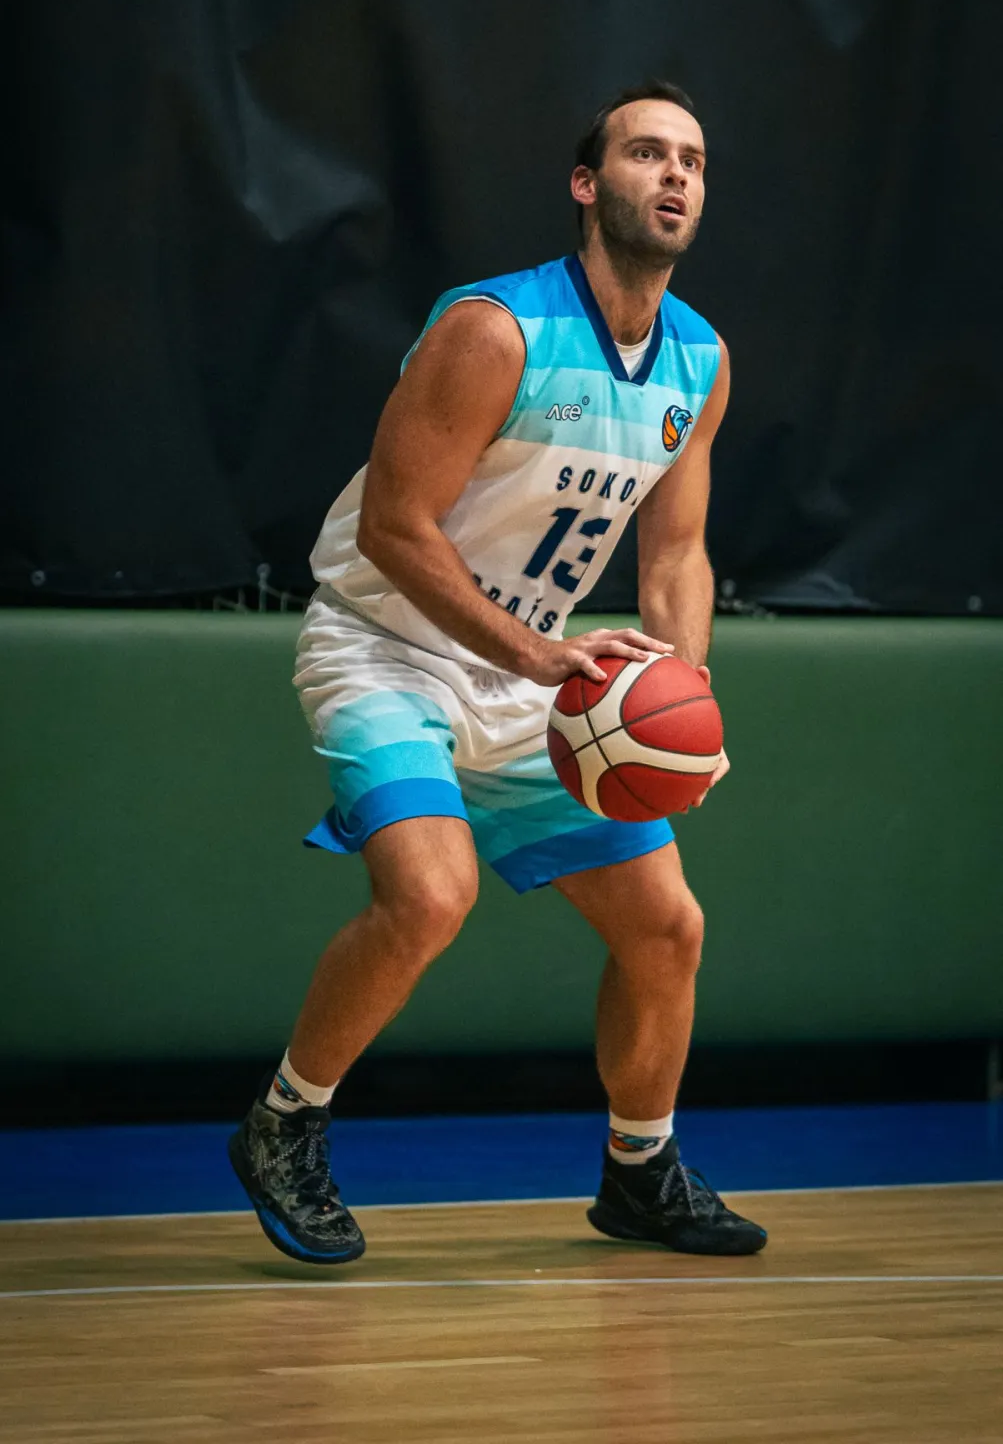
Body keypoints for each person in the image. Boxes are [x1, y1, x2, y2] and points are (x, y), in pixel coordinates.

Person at [228, 79, 767, 1263]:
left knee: (665, 926)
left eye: (691, 160)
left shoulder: (698, 358)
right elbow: (393, 528)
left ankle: (640, 1169)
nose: (674, 175)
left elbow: (674, 551)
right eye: (644, 153)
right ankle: (283, 1122)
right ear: (586, 184)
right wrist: (535, 651)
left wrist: (678, 693)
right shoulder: (494, 330)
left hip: (535, 674)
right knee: (430, 894)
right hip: (386, 645)